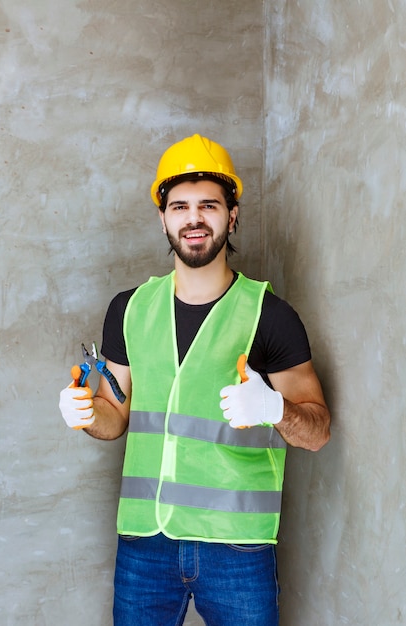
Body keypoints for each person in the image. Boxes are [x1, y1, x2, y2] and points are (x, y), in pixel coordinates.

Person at [59, 133, 331, 626]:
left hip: (237, 548)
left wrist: (275, 409)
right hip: (145, 545)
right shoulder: (130, 309)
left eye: (209, 204)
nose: (194, 218)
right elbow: (114, 413)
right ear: (163, 217)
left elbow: (317, 430)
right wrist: (84, 412)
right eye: (180, 206)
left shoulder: (270, 315)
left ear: (232, 214)